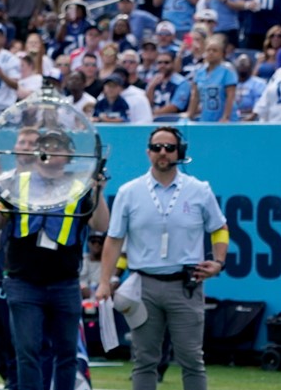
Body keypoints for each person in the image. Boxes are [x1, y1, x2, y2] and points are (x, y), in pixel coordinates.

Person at [0, 128, 109, 390]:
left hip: (65, 281)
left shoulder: (80, 186)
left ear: (70, 154)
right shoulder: (15, 183)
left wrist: (98, 192)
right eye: (46, 145)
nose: (50, 150)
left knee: (66, 353)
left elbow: (102, 223)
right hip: (23, 281)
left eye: (58, 146)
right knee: (28, 352)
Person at [97, 127, 229, 390]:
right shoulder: (129, 191)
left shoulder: (199, 189)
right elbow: (114, 239)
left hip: (185, 284)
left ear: (179, 152)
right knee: (144, 359)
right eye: (157, 147)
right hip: (143, 284)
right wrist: (104, 281)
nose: (163, 153)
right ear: (148, 153)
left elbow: (219, 227)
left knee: (192, 358)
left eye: (169, 147)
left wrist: (218, 262)